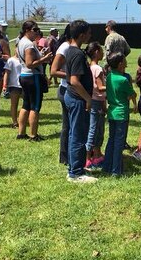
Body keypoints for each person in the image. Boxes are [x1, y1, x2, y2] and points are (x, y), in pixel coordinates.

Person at [63, 20, 96, 183]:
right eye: (89, 33)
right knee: (78, 135)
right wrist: (88, 98)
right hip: (77, 99)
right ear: (82, 35)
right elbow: (75, 80)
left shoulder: (70, 50)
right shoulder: (76, 53)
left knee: (73, 134)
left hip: (72, 97)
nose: (90, 36)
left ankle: (74, 166)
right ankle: (75, 173)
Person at [16, 20, 53, 141]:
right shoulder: (29, 45)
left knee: (26, 104)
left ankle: (21, 133)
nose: (37, 32)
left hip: (24, 76)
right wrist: (44, 59)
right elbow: (30, 64)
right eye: (35, 30)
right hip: (33, 77)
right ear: (27, 30)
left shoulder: (21, 42)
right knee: (35, 106)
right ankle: (33, 134)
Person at [102, 52, 136, 177]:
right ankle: (116, 170)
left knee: (111, 140)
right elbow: (132, 94)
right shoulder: (123, 80)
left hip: (112, 113)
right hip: (122, 114)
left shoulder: (110, 76)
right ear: (121, 64)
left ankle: (106, 166)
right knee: (119, 143)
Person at [49, 24, 72, 164]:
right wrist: (73, 75)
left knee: (69, 125)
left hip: (69, 89)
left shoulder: (68, 47)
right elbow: (53, 70)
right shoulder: (65, 47)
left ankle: (67, 156)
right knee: (68, 126)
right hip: (66, 90)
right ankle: (65, 156)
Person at [85, 42, 106, 170]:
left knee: (98, 129)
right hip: (97, 101)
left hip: (95, 100)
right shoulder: (98, 69)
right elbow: (100, 87)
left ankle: (97, 154)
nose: (103, 53)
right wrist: (112, 85)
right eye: (101, 50)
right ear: (96, 52)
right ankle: (88, 158)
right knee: (94, 130)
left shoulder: (89, 67)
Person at [3, 47, 23, 129]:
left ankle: (23, 120)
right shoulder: (11, 60)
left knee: (25, 104)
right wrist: (5, 85)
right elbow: (7, 73)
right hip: (14, 85)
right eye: (17, 48)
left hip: (24, 84)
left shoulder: (25, 60)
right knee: (14, 104)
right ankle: (14, 122)